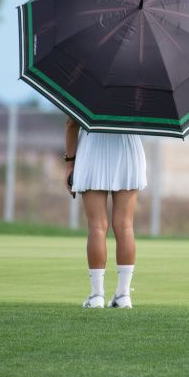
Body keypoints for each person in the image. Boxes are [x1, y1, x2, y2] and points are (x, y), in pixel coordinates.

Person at [64, 118, 147, 308]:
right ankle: (123, 295)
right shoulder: (139, 88)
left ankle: (96, 296)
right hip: (128, 147)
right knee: (125, 225)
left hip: (92, 147)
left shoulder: (84, 87)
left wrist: (69, 163)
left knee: (97, 226)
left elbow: (71, 124)